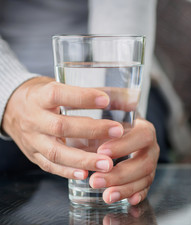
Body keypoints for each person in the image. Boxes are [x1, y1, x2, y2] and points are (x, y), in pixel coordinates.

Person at [0, 0, 159, 206]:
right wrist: (11, 94)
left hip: (117, 82)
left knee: (136, 146)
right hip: (15, 82)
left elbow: (122, 18)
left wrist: (119, 110)